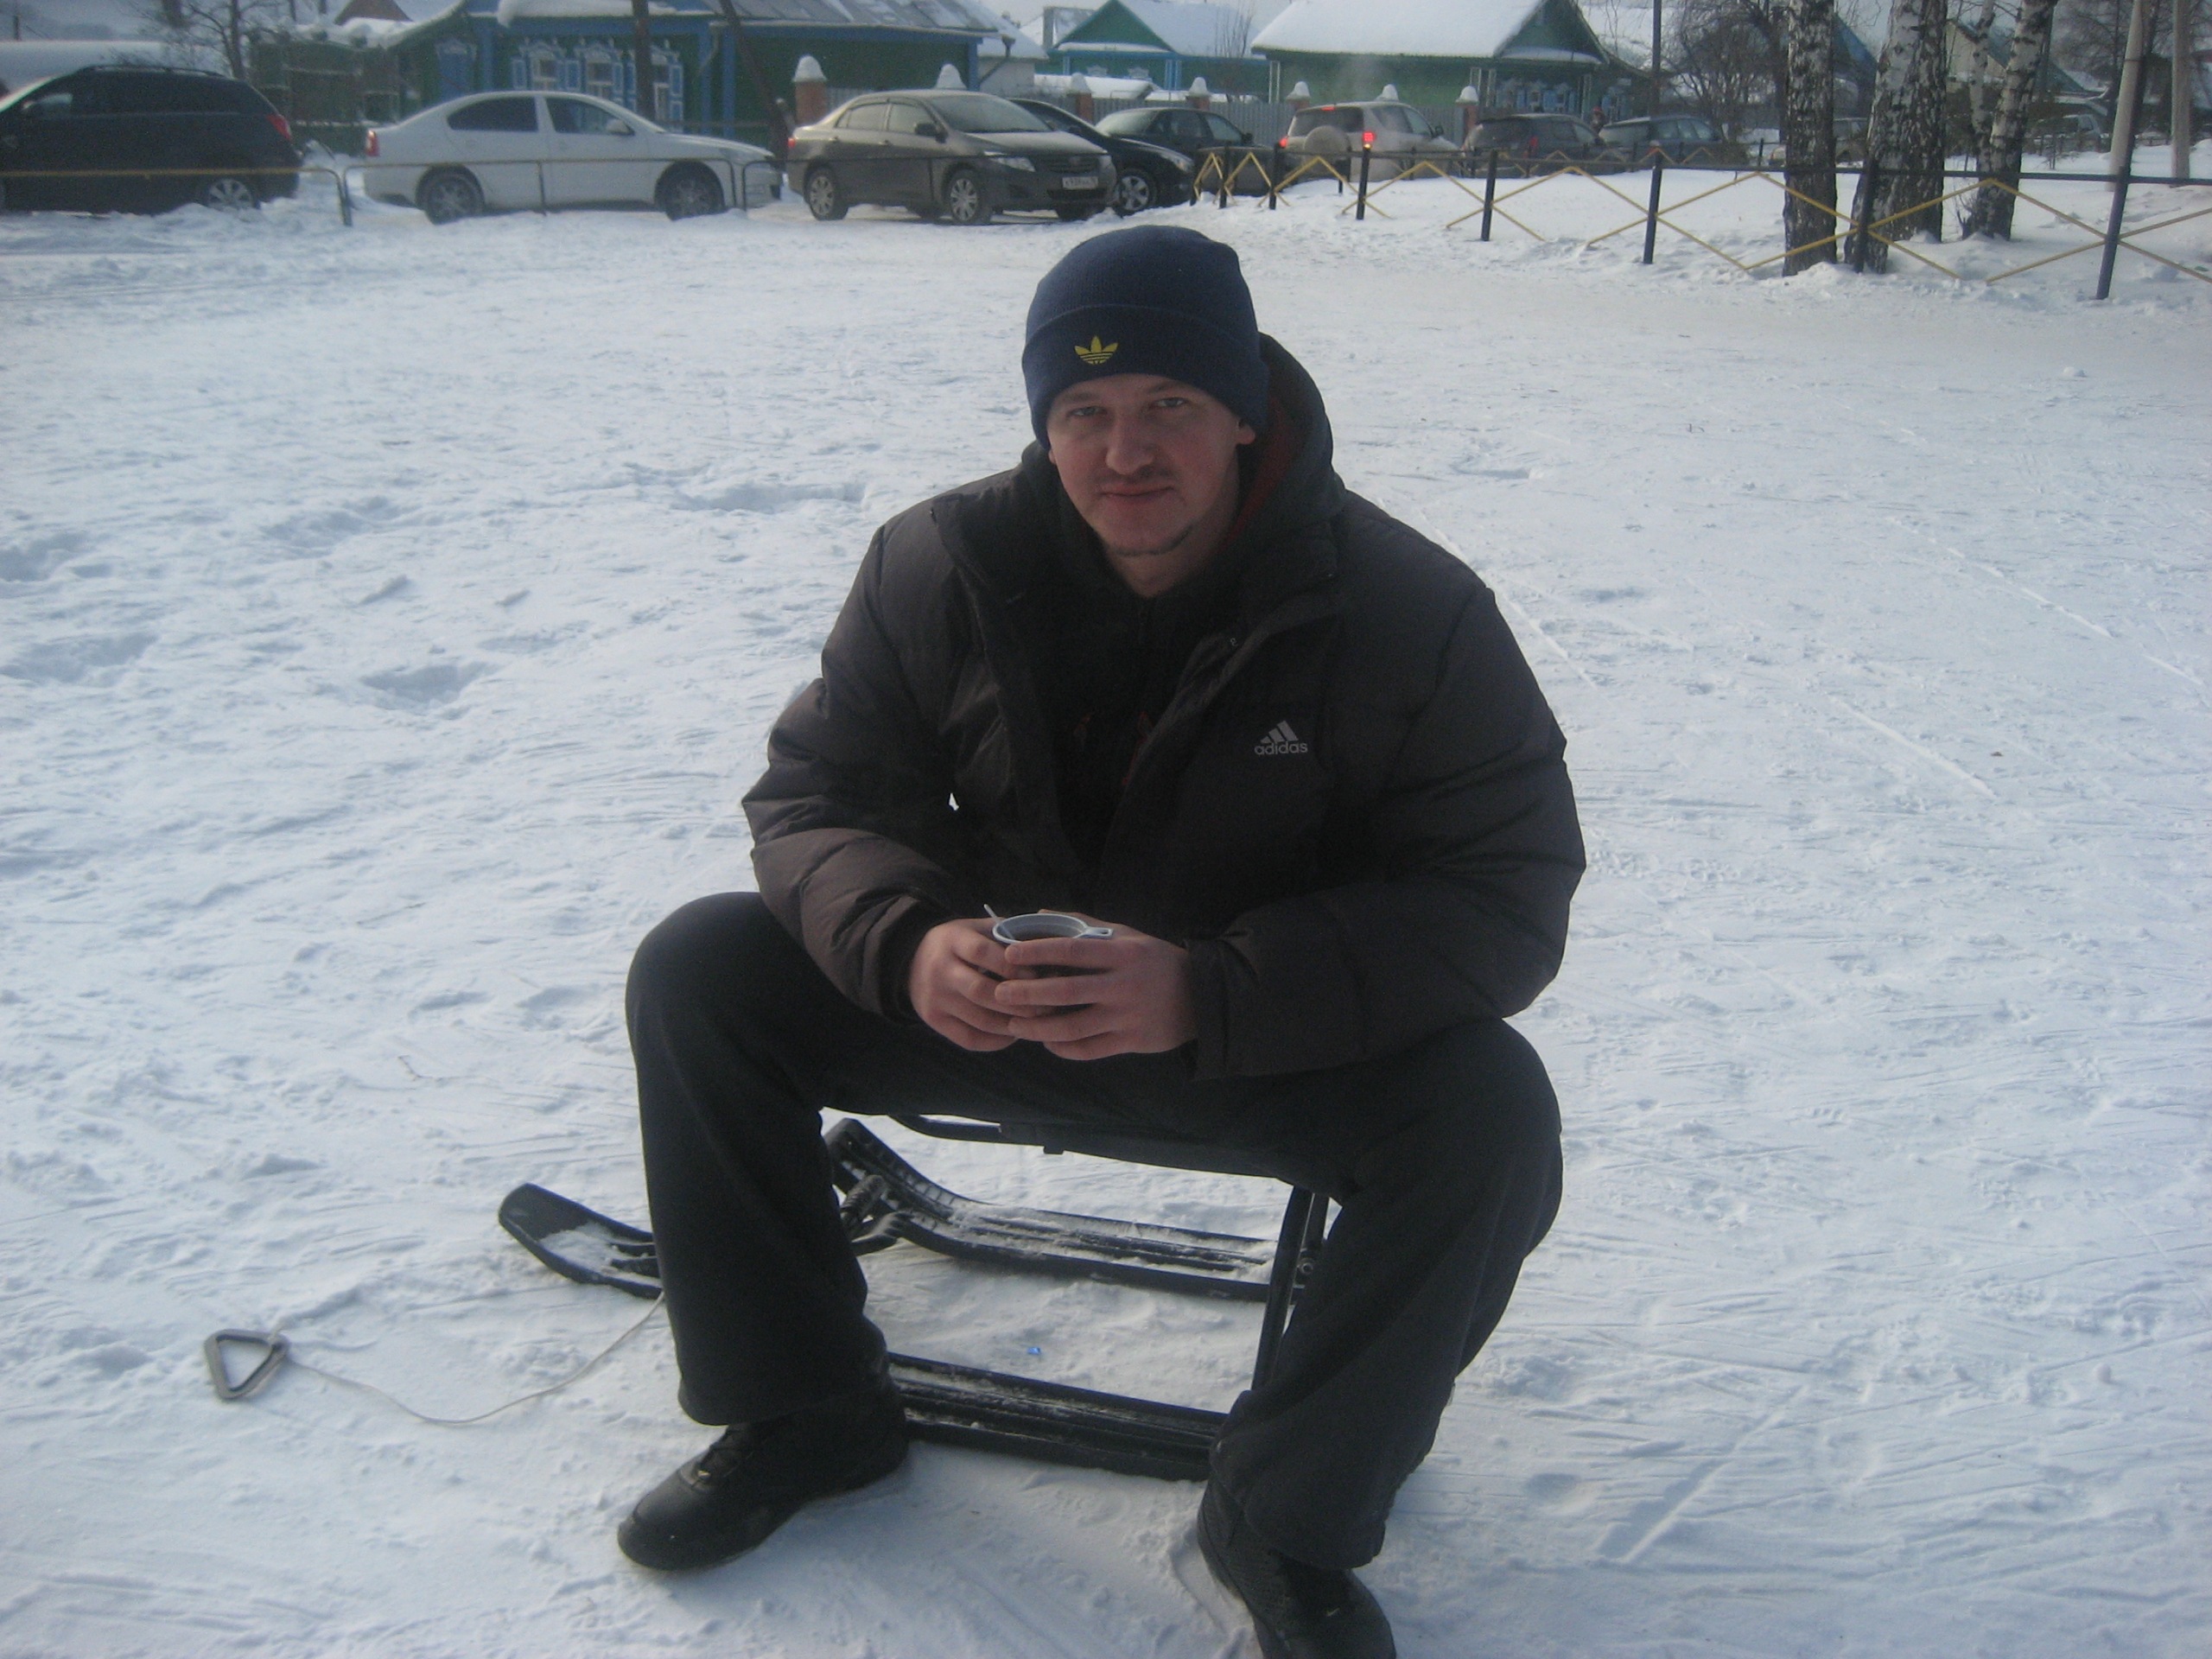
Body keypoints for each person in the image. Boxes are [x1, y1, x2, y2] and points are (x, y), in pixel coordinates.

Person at [618, 226, 1582, 1659]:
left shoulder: (1408, 611)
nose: (1125, 453)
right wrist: (910, 944)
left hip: (1253, 1044)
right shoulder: (940, 563)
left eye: (1168, 406)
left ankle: (1286, 1515)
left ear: (1243, 410)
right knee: (701, 971)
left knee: (1490, 1114)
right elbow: (816, 798)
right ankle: (803, 1408)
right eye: (1083, 412)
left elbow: (1506, 893)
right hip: (988, 1008)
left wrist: (1211, 991)